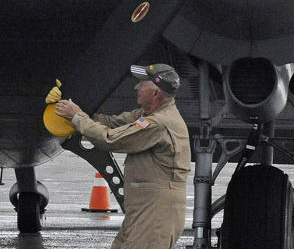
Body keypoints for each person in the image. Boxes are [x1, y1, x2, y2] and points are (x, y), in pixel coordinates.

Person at [51, 64, 190, 249]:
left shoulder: (158, 123)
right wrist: (70, 108)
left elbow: (110, 139)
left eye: (142, 84)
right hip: (143, 211)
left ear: (156, 93)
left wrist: (77, 117)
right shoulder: (147, 115)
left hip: (156, 213)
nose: (136, 87)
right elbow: (111, 123)